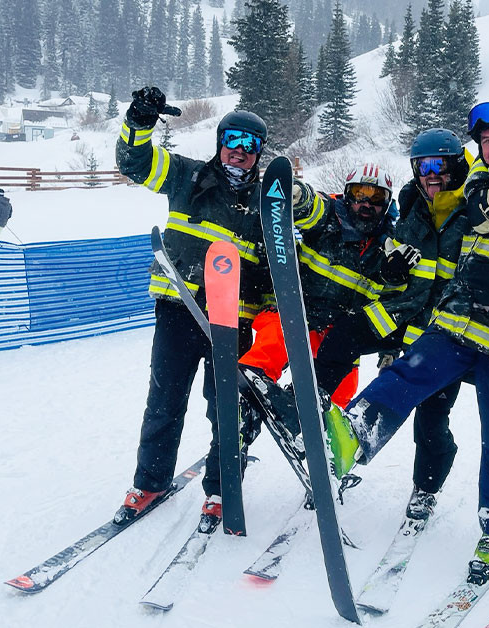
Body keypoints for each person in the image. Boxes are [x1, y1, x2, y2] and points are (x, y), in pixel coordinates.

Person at [322, 102, 489, 580]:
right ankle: (351, 435)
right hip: (459, 321)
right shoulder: (479, 186)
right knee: (409, 372)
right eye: (486, 141)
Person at [114, 85, 274, 533]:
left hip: (233, 319)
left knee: (226, 407)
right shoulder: (187, 176)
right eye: (233, 141)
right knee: (163, 401)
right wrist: (139, 123)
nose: (240, 152)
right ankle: (151, 482)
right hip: (179, 309)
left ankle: (223, 488)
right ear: (221, 142)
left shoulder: (268, 203)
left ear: (259, 153)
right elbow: (134, 163)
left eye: (250, 145)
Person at [314, 128, 475, 520]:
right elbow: (396, 274)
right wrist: (391, 272)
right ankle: (312, 403)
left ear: (456, 166)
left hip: (446, 332)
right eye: (422, 166)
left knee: (432, 419)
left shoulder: (475, 209)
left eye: (438, 165)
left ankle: (425, 488)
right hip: (402, 314)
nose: (430, 174)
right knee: (345, 333)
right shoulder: (412, 209)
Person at [236, 163, 422, 456]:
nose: (366, 204)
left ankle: (318, 443)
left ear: (387, 204)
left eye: (376, 198)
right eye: (360, 194)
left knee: (342, 393)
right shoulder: (329, 218)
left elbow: (391, 301)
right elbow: (312, 207)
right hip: (296, 313)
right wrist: (296, 195)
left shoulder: (389, 246)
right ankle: (246, 406)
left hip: (337, 333)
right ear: (347, 195)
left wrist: (389, 351)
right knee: (274, 342)